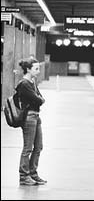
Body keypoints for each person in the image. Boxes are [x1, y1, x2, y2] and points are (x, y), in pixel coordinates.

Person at [16, 57, 47, 186]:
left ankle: (33, 173)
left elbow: (40, 98)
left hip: (36, 116)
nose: (38, 71)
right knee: (28, 148)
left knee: (38, 147)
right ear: (28, 69)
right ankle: (24, 176)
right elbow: (38, 100)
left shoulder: (32, 82)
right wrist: (39, 99)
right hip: (29, 117)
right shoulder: (24, 84)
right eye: (36, 69)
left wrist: (39, 99)